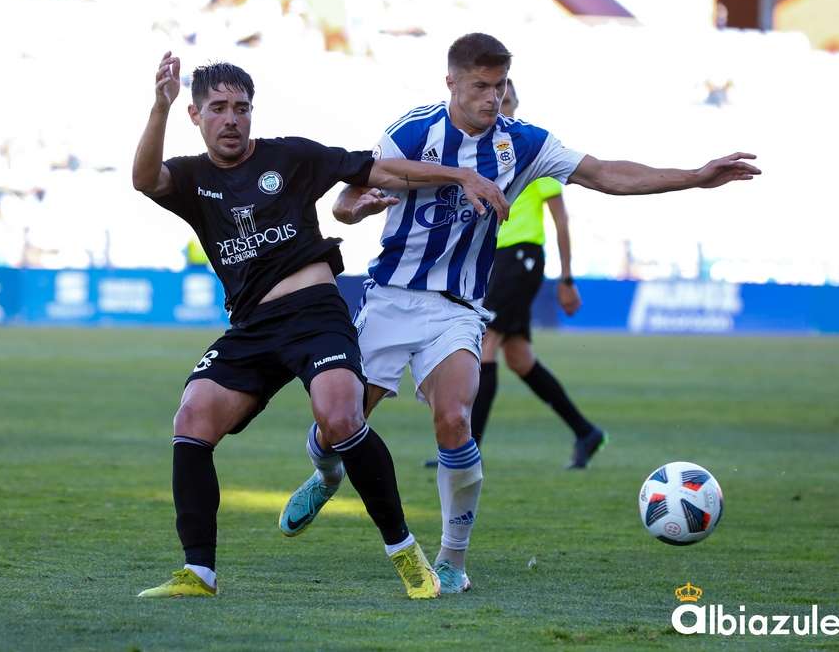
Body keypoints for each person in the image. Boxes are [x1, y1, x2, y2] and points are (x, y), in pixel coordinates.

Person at [281, 33, 760, 594]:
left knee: (455, 417)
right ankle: (327, 473)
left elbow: (604, 173)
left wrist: (694, 178)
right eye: (480, 86)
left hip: (457, 308)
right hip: (390, 297)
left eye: (500, 85)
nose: (492, 97)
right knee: (339, 424)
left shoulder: (523, 143)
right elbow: (347, 197)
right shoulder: (412, 132)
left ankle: (452, 560)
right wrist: (356, 209)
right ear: (451, 82)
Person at [131, 51, 509, 600]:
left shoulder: (291, 156)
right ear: (196, 114)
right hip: (252, 326)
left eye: (242, 108)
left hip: (315, 315)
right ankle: (199, 573)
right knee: (192, 416)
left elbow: (381, 169)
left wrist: (460, 175)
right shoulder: (192, 177)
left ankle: (405, 553)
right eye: (218, 108)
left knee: (340, 415)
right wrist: (158, 106)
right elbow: (144, 179)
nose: (232, 119)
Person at [423, 78, 604, 471]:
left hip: (521, 258)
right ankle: (586, 431)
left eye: (506, 100)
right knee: (520, 359)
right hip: (496, 260)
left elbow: (561, 221)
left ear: (515, 104)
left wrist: (567, 278)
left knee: (485, 343)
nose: (498, 106)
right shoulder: (481, 157)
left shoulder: (533, 155)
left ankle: (466, 449)